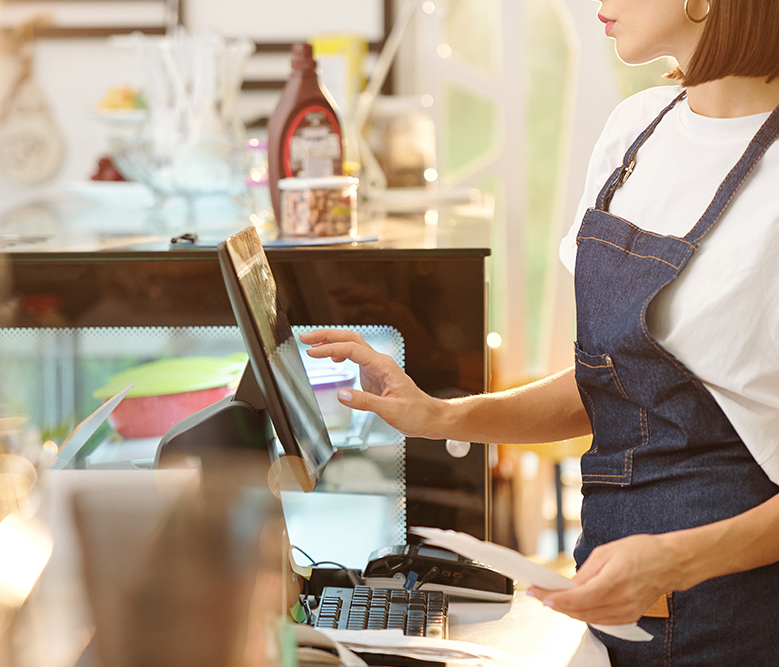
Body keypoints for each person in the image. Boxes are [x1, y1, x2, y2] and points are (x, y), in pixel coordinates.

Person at [301, 0, 779, 663]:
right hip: (614, 610)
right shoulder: (636, 132)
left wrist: (674, 560)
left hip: (738, 622)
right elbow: (615, 382)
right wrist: (438, 415)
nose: (601, 4)